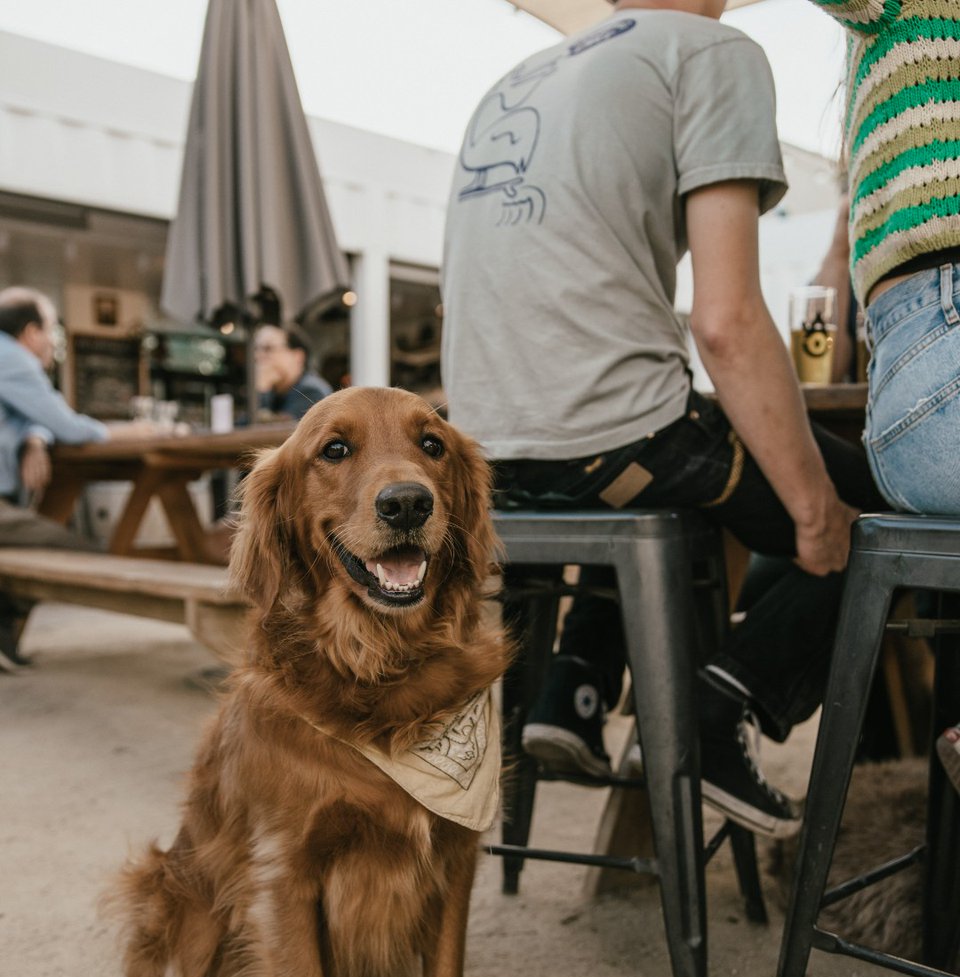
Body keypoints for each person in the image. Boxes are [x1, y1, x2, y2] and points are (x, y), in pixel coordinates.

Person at [441, 0, 888, 840]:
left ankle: (573, 686)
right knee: (887, 506)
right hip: (614, 436)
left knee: (678, 476)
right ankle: (720, 711)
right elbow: (726, 322)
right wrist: (815, 511)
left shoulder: (521, 81)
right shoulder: (714, 52)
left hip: (489, 453)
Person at [803, 0, 960, 783]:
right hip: (933, 349)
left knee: (812, 498)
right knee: (809, 501)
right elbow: (819, 348)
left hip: (917, 376)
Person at [0, 286, 156, 673]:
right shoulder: (13, 358)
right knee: (71, 550)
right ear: (32, 332)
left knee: (39, 545)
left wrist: (34, 436)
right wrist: (133, 432)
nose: (54, 340)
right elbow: (69, 427)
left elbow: (31, 415)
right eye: (53, 329)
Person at [252, 323, 332, 421]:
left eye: (268, 348)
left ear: (298, 356)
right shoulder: (274, 393)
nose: (258, 356)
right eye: (256, 349)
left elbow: (276, 432)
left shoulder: (311, 391)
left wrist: (261, 391)